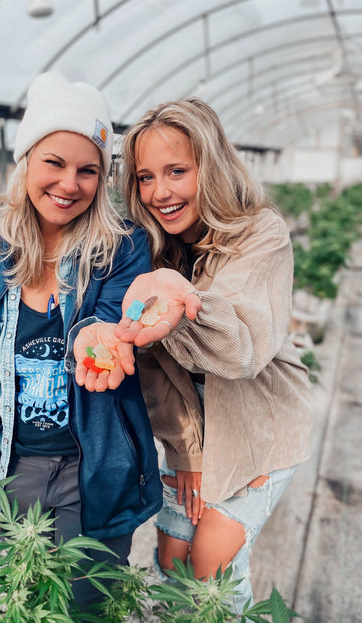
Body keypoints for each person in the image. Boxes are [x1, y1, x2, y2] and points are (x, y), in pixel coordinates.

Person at [76, 97, 312, 614]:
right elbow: (158, 376)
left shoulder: (260, 234)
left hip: (257, 429)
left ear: (211, 165)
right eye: (144, 177)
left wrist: (182, 304)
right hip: (195, 435)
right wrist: (188, 455)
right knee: (171, 558)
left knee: (209, 572)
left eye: (177, 171)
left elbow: (242, 345)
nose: (160, 192)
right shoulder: (149, 248)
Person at [0, 71, 162, 609]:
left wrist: (105, 336)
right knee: (16, 606)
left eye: (88, 170)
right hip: (10, 470)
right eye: (55, 163)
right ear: (25, 165)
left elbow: (114, 320)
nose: (70, 183)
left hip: (93, 476)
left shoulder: (122, 250)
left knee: (85, 609)